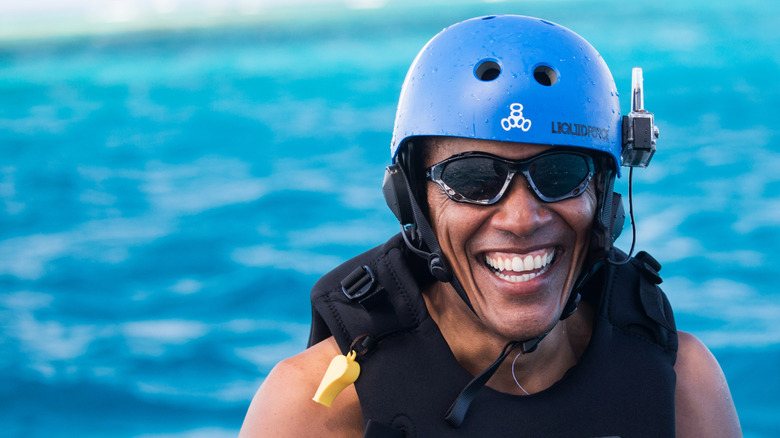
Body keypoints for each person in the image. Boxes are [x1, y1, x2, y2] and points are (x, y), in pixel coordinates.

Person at [239, 15, 741, 437]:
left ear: (604, 200)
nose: (521, 219)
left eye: (560, 175)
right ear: (414, 202)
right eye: (474, 179)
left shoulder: (680, 386)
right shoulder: (314, 408)